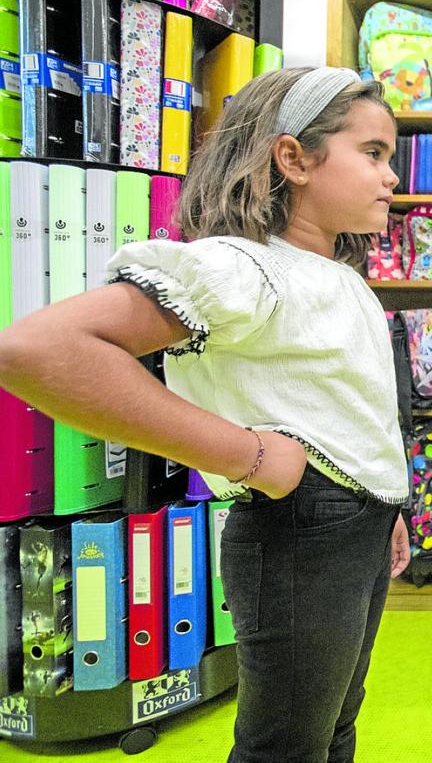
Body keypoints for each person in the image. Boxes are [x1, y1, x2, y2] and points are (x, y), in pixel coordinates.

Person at [0, 67, 411, 763]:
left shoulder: (330, 272)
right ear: (293, 158)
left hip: (353, 528)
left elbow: (343, 404)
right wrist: (244, 454)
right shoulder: (242, 268)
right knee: (283, 746)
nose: (391, 176)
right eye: (372, 152)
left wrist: (385, 506)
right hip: (296, 532)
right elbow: (37, 349)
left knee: (332, 725)